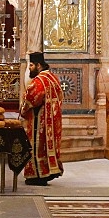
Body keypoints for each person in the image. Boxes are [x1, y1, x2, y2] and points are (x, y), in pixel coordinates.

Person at [20, 51, 64, 186]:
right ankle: (50, 170)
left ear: (39, 65)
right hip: (53, 119)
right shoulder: (53, 78)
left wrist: (23, 108)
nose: (29, 68)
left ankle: (38, 175)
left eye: (31, 65)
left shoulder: (39, 81)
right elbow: (61, 96)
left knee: (38, 147)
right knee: (48, 147)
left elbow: (32, 99)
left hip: (41, 122)